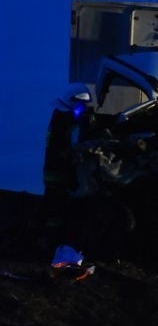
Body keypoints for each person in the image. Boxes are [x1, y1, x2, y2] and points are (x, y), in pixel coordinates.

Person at [41, 83, 93, 243]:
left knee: (54, 208)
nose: (84, 109)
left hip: (53, 171)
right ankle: (53, 243)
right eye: (82, 105)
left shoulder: (58, 117)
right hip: (60, 172)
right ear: (73, 102)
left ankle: (51, 242)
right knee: (58, 211)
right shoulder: (67, 121)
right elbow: (74, 145)